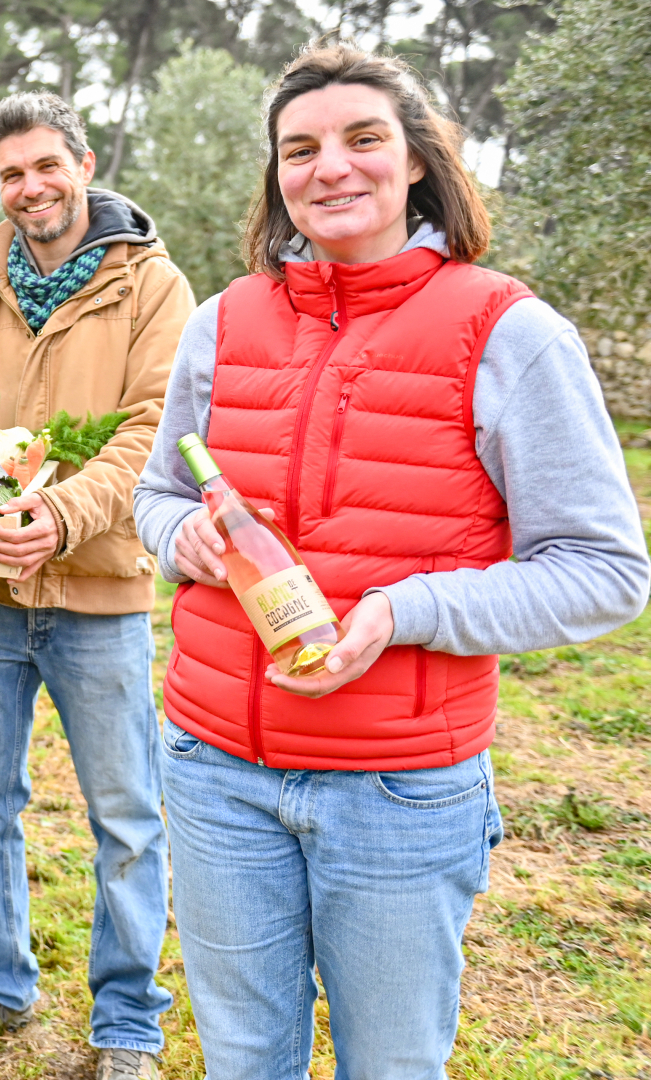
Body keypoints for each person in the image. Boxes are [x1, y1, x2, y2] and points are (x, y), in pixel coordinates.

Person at [133, 44, 651, 1075]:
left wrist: (402, 612)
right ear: (277, 175)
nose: (331, 167)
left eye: (363, 139)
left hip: (399, 791)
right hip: (213, 768)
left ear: (416, 158)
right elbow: (158, 494)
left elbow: (604, 569)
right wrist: (177, 538)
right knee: (241, 1058)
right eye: (301, 148)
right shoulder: (221, 324)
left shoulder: (510, 332)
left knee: (392, 1064)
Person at [0, 92, 194, 1077]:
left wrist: (67, 515)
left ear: (82, 164)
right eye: (10, 174)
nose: (30, 187)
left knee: (125, 814)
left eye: (46, 165)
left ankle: (127, 1019)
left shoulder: (154, 288)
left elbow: (152, 428)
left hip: (101, 597)